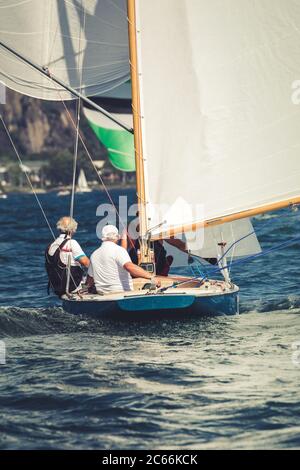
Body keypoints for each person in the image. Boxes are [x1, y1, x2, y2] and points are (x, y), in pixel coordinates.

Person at [88, 225, 161, 294]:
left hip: (103, 296)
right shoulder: (119, 250)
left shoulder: (94, 254)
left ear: (102, 237)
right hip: (121, 293)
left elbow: (90, 280)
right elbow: (129, 267)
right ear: (117, 237)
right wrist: (151, 277)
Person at [45, 216, 89, 296]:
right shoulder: (72, 243)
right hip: (72, 286)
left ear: (59, 228)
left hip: (56, 287)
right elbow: (86, 263)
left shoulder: (52, 245)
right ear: (73, 230)